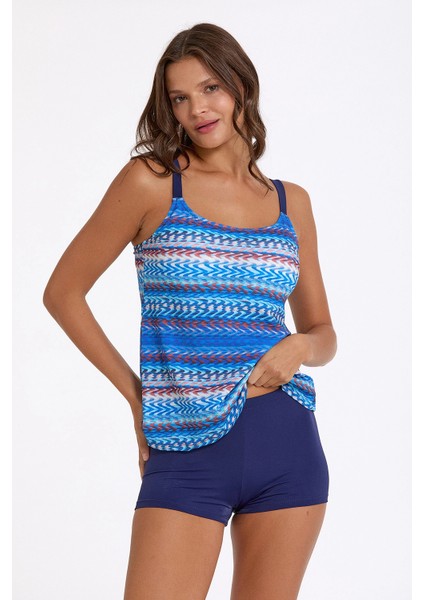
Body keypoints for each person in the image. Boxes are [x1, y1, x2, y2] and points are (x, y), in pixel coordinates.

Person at [43, 21, 337, 600]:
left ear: (240, 85)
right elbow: (63, 292)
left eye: (209, 88)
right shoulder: (153, 184)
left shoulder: (291, 203)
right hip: (184, 450)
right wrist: (137, 397)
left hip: (287, 445)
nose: (197, 109)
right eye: (179, 98)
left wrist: (299, 347)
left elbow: (323, 332)